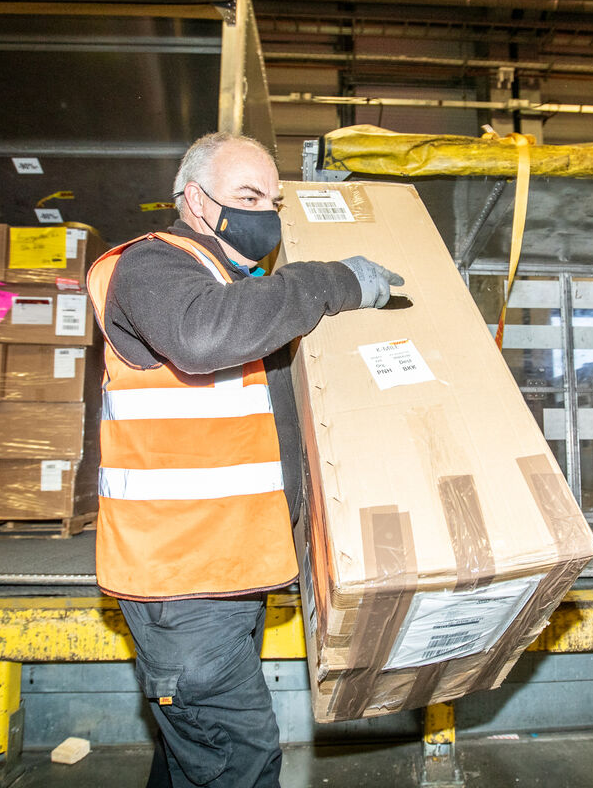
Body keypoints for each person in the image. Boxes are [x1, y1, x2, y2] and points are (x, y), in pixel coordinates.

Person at [86, 131, 403, 787]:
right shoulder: (152, 266)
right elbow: (203, 334)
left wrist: (323, 223)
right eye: (249, 197)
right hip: (181, 580)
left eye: (276, 202)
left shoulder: (240, 289)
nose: (266, 214)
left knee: (195, 757)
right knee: (239, 762)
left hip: (229, 569)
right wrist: (332, 278)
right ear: (197, 200)